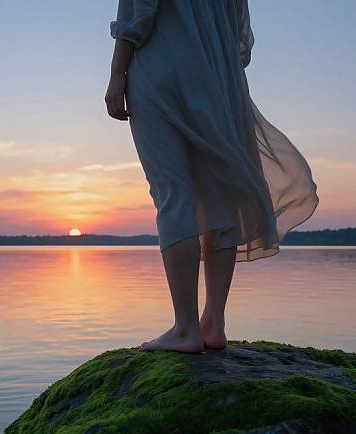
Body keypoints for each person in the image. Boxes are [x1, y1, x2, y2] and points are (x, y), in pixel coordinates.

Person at [105, 0, 319, 353]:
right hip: (220, 80)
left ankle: (185, 328)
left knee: (174, 195)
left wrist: (117, 74)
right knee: (220, 196)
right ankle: (213, 322)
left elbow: (137, 12)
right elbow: (241, 39)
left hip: (161, 69)